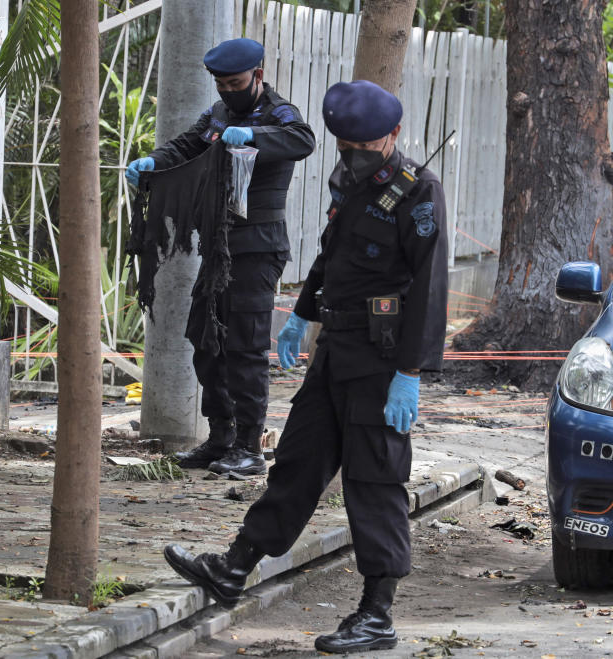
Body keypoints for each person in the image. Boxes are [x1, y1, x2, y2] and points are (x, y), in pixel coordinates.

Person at [162, 80, 448, 653]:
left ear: (392, 136)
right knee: (296, 463)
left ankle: (376, 614)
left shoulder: (419, 192)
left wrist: (410, 372)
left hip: (381, 361)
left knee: (375, 481)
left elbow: (431, 289)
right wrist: (301, 314)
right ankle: (234, 567)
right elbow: (332, 251)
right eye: (346, 145)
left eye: (365, 145)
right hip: (335, 351)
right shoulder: (351, 176)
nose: (354, 154)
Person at [125, 39, 315, 476]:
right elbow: (185, 146)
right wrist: (151, 162)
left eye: (236, 83)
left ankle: (250, 445)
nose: (229, 90)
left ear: (258, 76)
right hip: (219, 247)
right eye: (222, 84)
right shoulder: (217, 114)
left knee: (245, 348)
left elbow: (301, 140)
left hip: (258, 245)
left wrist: (253, 136)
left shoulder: (278, 114)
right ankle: (221, 437)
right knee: (205, 340)